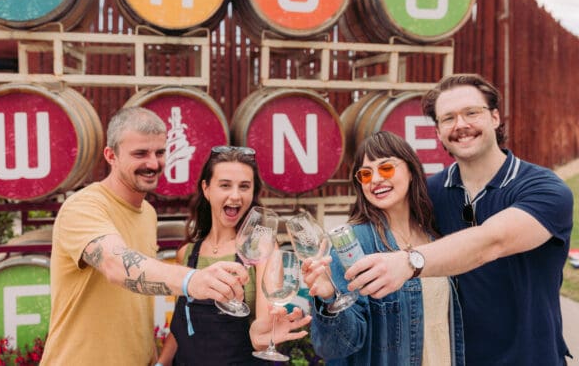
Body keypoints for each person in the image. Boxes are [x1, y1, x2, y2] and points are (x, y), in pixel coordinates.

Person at [345, 74, 573, 365]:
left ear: (494, 117)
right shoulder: (431, 193)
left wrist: (409, 262)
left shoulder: (545, 189)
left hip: (531, 358)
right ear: (438, 131)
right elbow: (383, 216)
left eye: (471, 113)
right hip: (457, 358)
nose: (460, 125)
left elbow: (492, 242)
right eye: (448, 118)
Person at [41, 108, 250, 366]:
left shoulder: (147, 213)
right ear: (111, 155)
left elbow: (136, 301)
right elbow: (117, 265)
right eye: (140, 154)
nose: (153, 164)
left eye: (159, 152)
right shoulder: (83, 207)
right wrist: (193, 280)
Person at [302, 131, 464, 365]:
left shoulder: (434, 235)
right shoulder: (353, 243)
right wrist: (329, 297)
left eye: (386, 168)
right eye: (366, 174)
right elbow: (336, 346)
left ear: (411, 171)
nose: (375, 179)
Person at [157, 145, 311, 366]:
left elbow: (262, 334)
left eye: (244, 186)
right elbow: (182, 324)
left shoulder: (263, 248)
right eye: (225, 185)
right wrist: (160, 363)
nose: (236, 195)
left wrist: (263, 335)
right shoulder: (187, 253)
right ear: (206, 189)